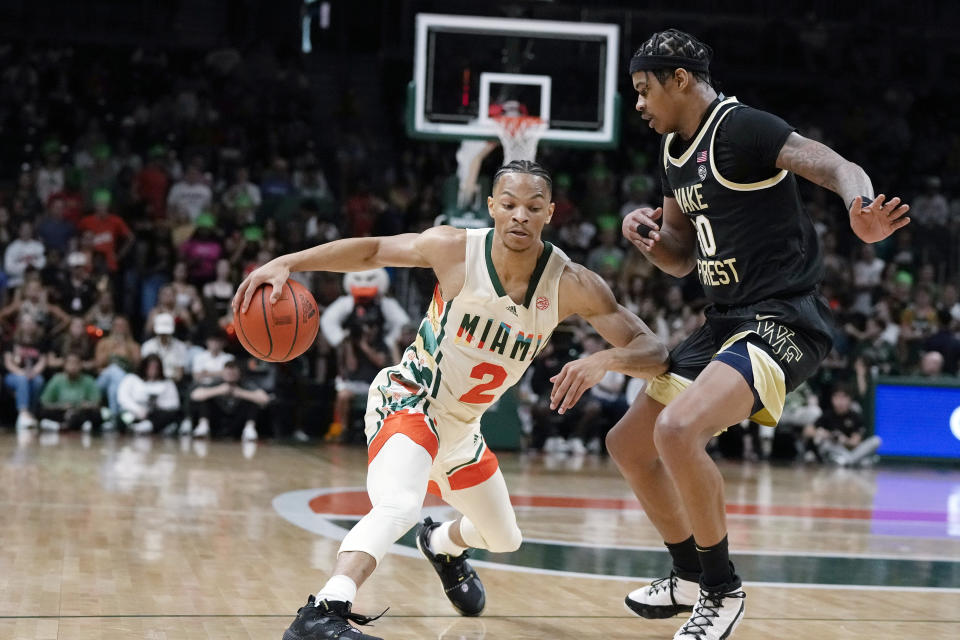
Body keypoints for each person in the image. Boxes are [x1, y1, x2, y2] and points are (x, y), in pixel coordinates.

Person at [235, 160, 668, 640]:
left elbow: (653, 350)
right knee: (399, 504)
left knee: (504, 539)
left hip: (463, 431)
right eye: (508, 205)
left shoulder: (572, 284)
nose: (519, 216)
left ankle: (440, 543)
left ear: (550, 213)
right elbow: (373, 251)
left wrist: (605, 360)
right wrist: (289, 262)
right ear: (491, 208)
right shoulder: (454, 248)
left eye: (532, 207)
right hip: (410, 400)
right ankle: (322, 612)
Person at [609, 29, 911, 640]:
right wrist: (644, 237)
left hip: (783, 317)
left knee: (678, 429)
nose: (638, 103)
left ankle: (721, 592)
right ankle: (687, 572)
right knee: (630, 443)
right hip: (724, 320)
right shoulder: (673, 149)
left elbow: (834, 164)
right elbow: (681, 258)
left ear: (680, 80)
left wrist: (861, 205)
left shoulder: (742, 127)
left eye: (644, 89)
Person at [189, 360, 269, 441]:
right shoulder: (217, 382)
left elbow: (265, 399)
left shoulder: (245, 383)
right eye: (228, 373)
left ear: (239, 374)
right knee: (205, 398)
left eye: (233, 373)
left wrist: (241, 393)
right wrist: (218, 390)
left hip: (238, 421)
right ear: (223, 373)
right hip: (218, 420)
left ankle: (249, 429)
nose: (230, 376)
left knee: (253, 399)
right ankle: (203, 427)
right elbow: (194, 395)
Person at [38, 352, 102, 432]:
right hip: (61, 412)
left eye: (76, 363)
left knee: (96, 414)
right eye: (70, 363)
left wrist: (86, 405)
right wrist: (60, 406)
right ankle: (70, 425)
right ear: (64, 365)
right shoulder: (56, 379)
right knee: (43, 412)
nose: (73, 366)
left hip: (81, 412)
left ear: (81, 365)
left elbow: (96, 403)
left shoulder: (88, 380)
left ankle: (62, 426)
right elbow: (44, 402)